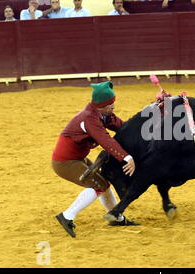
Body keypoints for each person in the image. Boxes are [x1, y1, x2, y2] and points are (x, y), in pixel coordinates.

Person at [53, 81, 137, 238]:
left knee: (103, 183)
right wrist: (127, 157)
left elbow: (123, 127)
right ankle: (67, 216)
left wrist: (139, 134)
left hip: (77, 158)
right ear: (102, 105)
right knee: (99, 185)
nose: (113, 107)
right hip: (64, 162)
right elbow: (106, 141)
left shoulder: (101, 114)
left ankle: (116, 217)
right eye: (111, 104)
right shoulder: (89, 118)